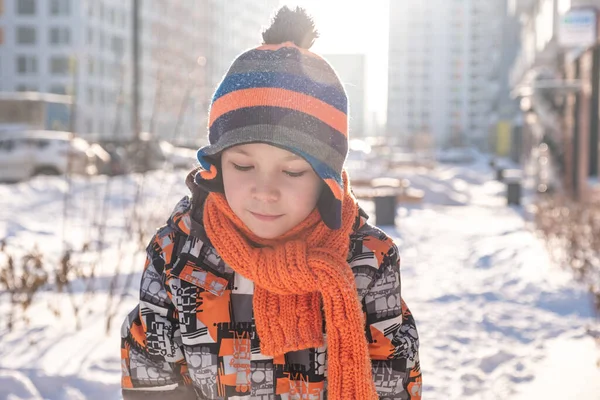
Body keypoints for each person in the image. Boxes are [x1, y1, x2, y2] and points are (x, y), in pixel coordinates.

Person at [120, 6, 421, 399]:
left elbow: (393, 373)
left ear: (326, 179)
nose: (265, 190)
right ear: (216, 166)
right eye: (243, 165)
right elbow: (151, 367)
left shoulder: (366, 260)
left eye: (293, 171)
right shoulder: (179, 251)